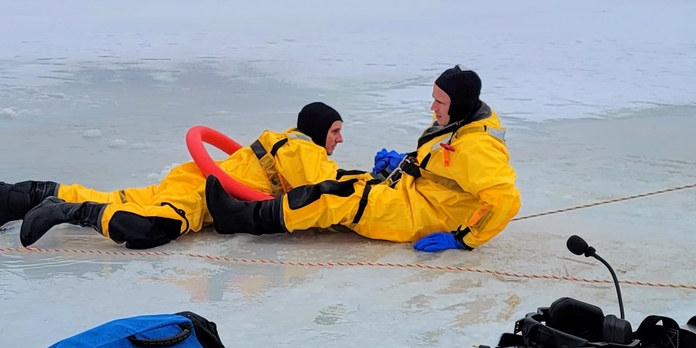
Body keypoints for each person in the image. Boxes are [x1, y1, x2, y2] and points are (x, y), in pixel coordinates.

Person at [205, 66, 522, 252]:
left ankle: (240, 217)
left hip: (421, 215)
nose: (433, 108)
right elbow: (448, 168)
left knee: (334, 197)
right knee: (347, 181)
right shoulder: (458, 125)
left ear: (460, 105)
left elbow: (503, 199)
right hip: (413, 195)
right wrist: (405, 164)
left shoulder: (479, 145)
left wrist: (462, 239)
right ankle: (257, 211)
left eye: (439, 102)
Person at [0, 102, 366, 249]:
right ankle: (68, 211)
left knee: (122, 198)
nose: (339, 139)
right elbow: (326, 196)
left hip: (192, 177)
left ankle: (16, 196)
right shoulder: (306, 150)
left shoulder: (285, 141)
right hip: (201, 195)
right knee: (155, 227)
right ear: (318, 130)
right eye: (335, 131)